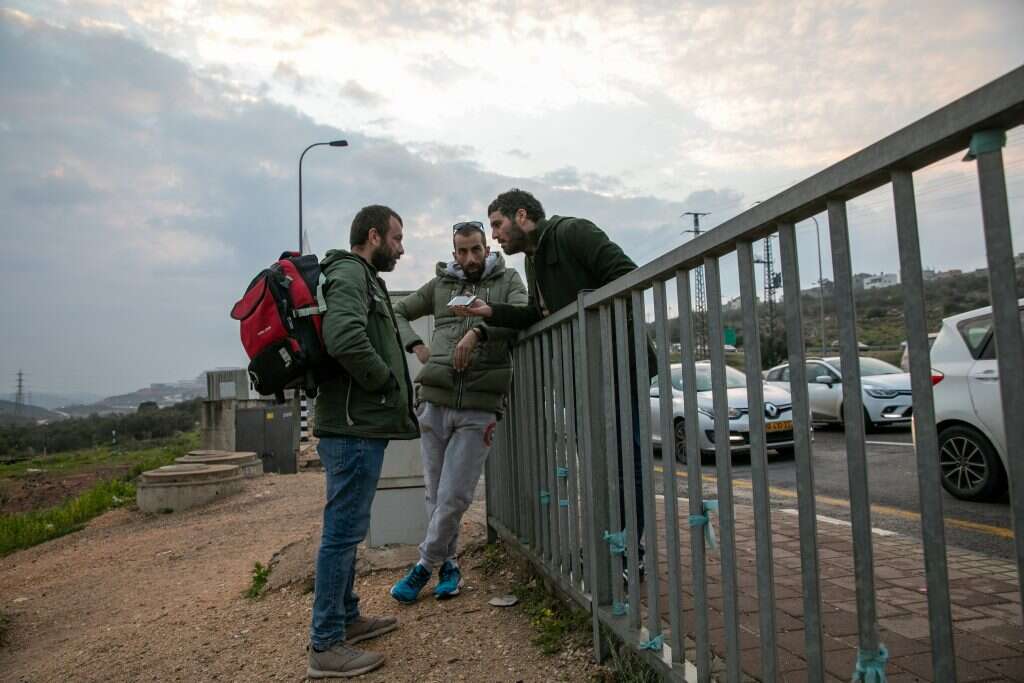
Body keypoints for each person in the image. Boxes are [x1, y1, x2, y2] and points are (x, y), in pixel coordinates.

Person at [452, 188, 652, 580]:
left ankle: (629, 551)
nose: (494, 236)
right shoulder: (534, 259)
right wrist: (489, 317)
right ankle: (607, 542)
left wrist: (589, 323)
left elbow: (627, 276)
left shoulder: (573, 232)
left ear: (521, 215)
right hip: (581, 372)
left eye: (497, 224)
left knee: (624, 460)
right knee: (597, 461)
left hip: (614, 364)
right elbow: (536, 314)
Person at [307, 205, 419, 679]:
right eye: (396, 238)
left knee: (348, 528)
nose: (401, 247)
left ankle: (347, 618)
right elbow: (345, 338)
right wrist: (386, 382)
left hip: (357, 427)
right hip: (352, 428)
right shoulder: (351, 273)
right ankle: (326, 644)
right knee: (341, 534)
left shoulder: (361, 276)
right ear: (373, 235)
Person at [389, 221, 528, 603]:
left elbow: (521, 316)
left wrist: (480, 331)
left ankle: (422, 567)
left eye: (476, 250)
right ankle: (449, 566)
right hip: (435, 401)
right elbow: (396, 311)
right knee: (435, 495)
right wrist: (415, 345)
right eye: (462, 251)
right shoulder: (440, 286)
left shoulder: (508, 280)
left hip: (479, 407)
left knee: (454, 495)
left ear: (486, 249)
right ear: (454, 253)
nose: (469, 258)